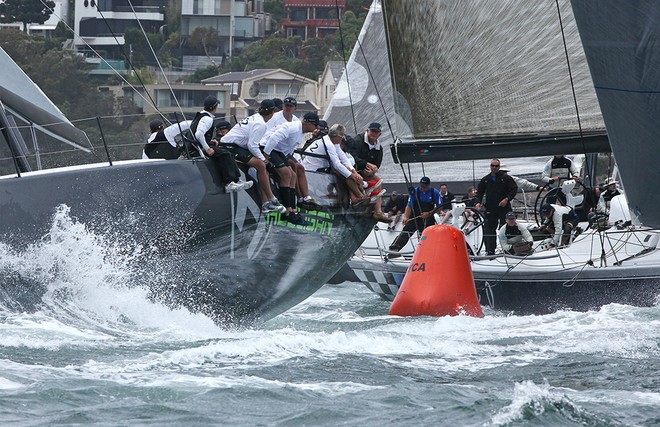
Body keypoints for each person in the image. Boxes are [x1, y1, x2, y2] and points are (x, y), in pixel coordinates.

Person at [219, 99, 286, 214]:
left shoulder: (256, 117)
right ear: (272, 113)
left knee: (262, 165)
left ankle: (266, 203)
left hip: (235, 146)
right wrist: (264, 160)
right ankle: (272, 199)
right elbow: (252, 146)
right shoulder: (260, 124)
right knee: (261, 164)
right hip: (229, 147)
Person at [262, 112, 320, 225]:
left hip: (278, 151)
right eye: (315, 125)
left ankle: (293, 210)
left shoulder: (301, 132)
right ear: (307, 123)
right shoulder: (293, 128)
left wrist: (286, 160)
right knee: (286, 174)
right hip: (266, 146)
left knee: (292, 174)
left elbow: (289, 149)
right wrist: (265, 156)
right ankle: (287, 210)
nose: (316, 128)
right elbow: (274, 138)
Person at [190, 95, 253, 192]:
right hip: (197, 149)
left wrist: (210, 142)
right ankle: (229, 183)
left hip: (195, 146)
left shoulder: (200, 115)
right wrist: (208, 148)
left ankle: (237, 181)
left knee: (226, 153)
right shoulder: (207, 119)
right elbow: (198, 134)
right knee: (225, 154)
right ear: (215, 107)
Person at [388, 176, 441, 255]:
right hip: (415, 217)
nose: (422, 188)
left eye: (424, 187)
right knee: (405, 234)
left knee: (426, 238)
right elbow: (409, 205)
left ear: (429, 185)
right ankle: (392, 252)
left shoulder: (435, 193)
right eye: (421, 186)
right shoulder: (415, 192)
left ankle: (427, 254)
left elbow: (440, 207)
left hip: (428, 219)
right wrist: (406, 217)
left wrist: (429, 213)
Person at [476, 159, 518, 255]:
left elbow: (514, 189)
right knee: (489, 229)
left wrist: (507, 199)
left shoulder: (506, 178)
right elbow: (480, 192)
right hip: (490, 208)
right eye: (492, 165)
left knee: (508, 227)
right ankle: (490, 250)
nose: (494, 167)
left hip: (504, 207)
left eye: (496, 166)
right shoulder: (485, 179)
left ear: (499, 167)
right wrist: (478, 202)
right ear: (490, 166)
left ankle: (509, 249)